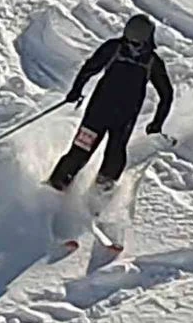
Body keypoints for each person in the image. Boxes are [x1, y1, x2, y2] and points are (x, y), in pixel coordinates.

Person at [47, 14, 174, 192]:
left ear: (147, 41)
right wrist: (76, 89)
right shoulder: (114, 48)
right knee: (80, 150)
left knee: (114, 157)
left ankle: (100, 194)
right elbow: (90, 68)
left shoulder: (153, 63)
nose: (132, 48)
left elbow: (166, 95)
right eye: (128, 41)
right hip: (98, 111)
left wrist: (157, 123)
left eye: (137, 44)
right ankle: (55, 186)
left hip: (124, 118)